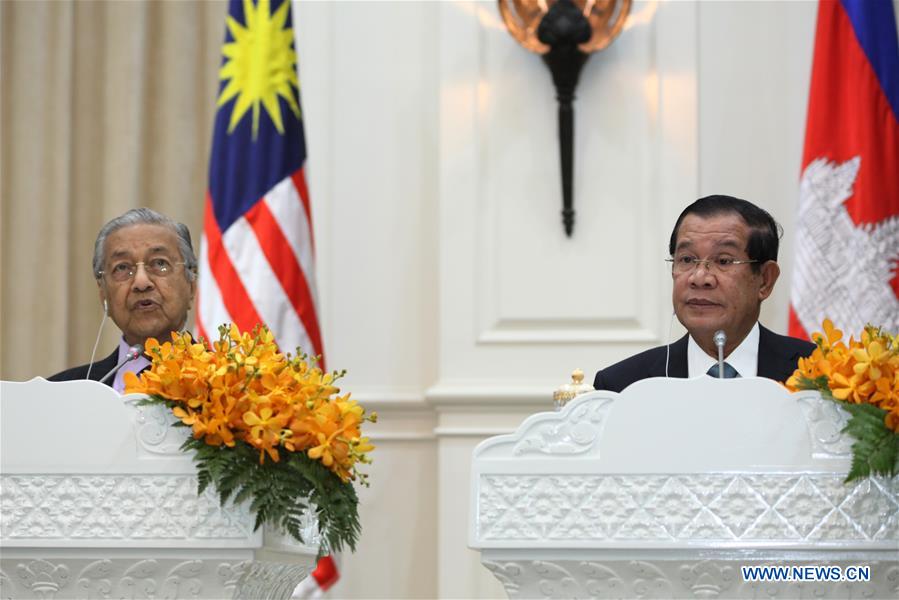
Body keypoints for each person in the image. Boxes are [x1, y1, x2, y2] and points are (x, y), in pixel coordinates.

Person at [594, 195, 815, 393]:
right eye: (687, 259)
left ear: (765, 280)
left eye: (723, 261)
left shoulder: (822, 374)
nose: (699, 277)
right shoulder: (622, 386)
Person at [49, 208, 198, 391]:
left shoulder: (229, 386)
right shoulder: (59, 395)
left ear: (192, 285)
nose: (141, 282)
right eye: (122, 267)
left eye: (160, 263)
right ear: (103, 293)